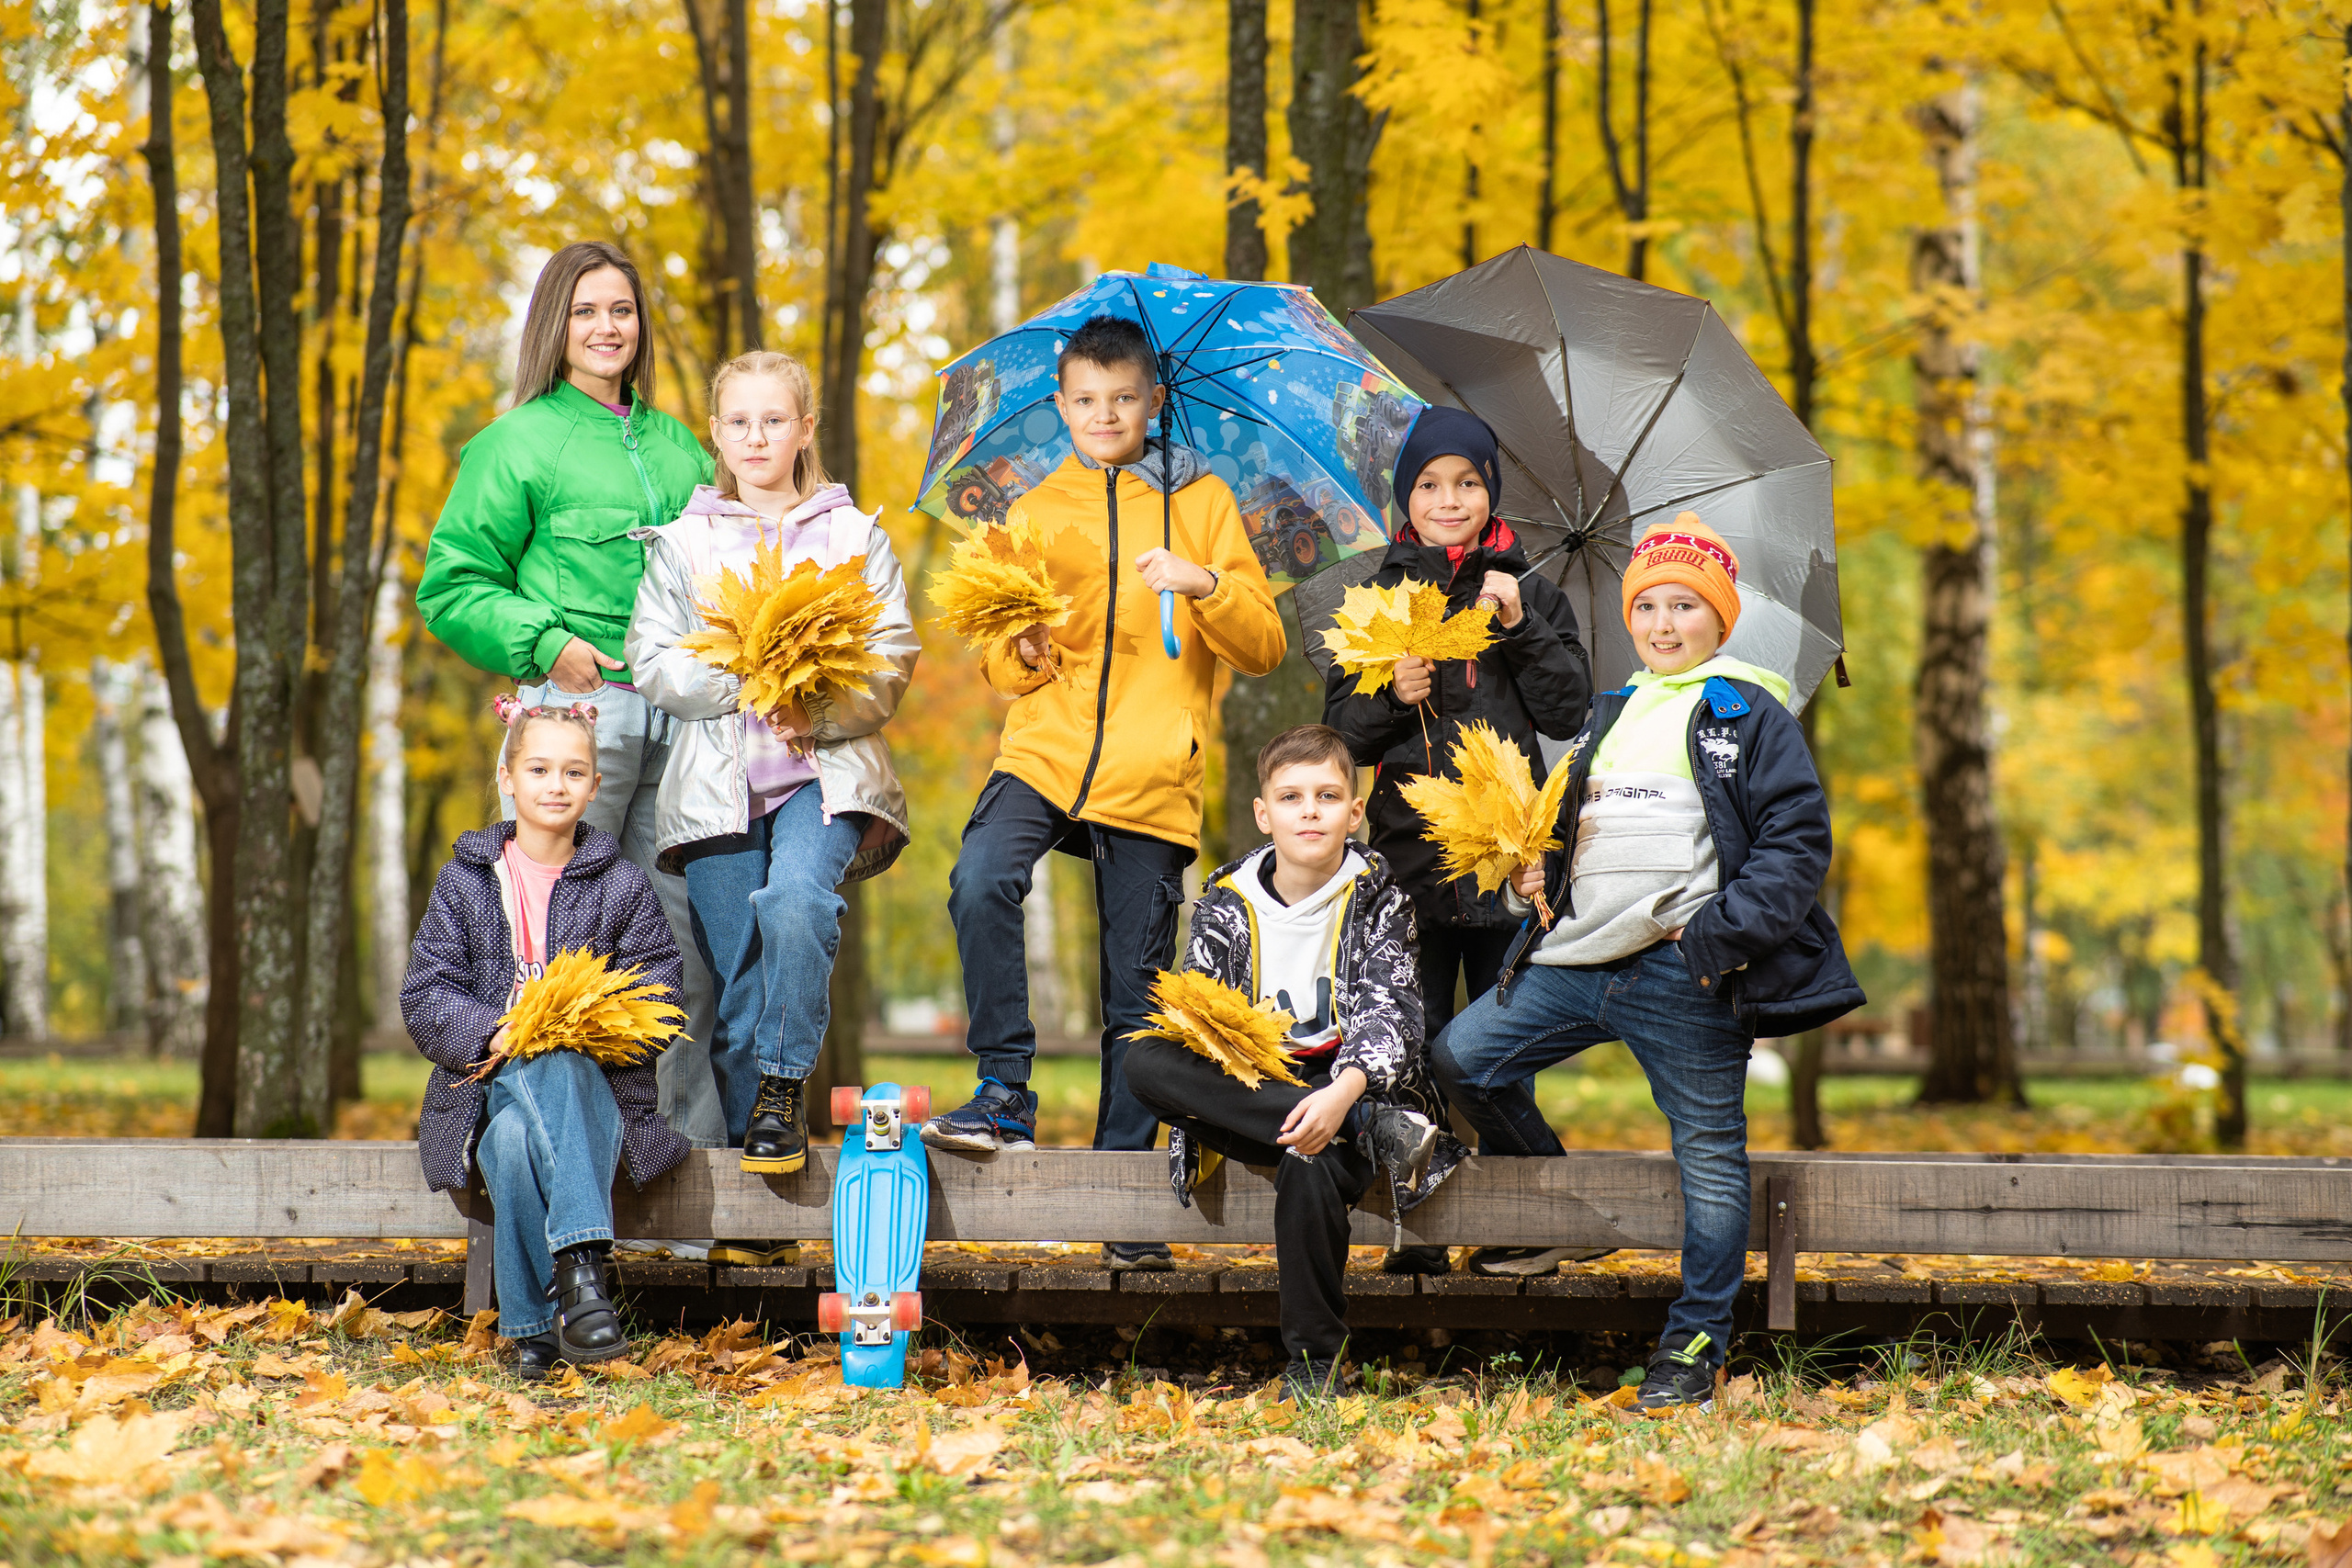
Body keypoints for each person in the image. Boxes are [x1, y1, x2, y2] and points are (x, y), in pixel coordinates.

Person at [1430, 513, 1865, 1411]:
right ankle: (1566, 1222)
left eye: (1685, 607)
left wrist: (1710, 941)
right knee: (1457, 1060)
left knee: (1709, 1160)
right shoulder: (1608, 715)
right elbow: (1567, 836)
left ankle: (1693, 1346)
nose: (1664, 625)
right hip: (1576, 958)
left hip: (1680, 972)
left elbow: (1794, 847)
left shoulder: (1745, 711)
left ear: (1720, 619)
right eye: (1648, 607)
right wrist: (1534, 874)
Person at [921, 314, 1286, 1274]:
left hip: (1151, 769)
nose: (1104, 415)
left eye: (1123, 399)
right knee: (979, 878)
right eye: (1086, 400)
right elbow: (998, 648)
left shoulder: (1204, 502)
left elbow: (1263, 644)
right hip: (1043, 752)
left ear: (1152, 401)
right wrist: (1020, 650)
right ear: (1062, 404)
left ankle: (1125, 1192)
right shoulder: (1037, 509)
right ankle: (1003, 1089)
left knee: (1134, 991)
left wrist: (1202, 580)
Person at [416, 239, 726, 1165]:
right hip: (572, 718)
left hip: (685, 725)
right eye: (587, 311)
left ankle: (680, 1174)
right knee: (536, 947)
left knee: (680, 953)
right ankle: (525, 1161)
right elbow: (452, 585)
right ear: (556, 324)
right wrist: (547, 645)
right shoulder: (514, 443)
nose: (606, 328)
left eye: (622, 310)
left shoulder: (681, 449)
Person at [628, 350, 917, 1267]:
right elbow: (654, 660)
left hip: (819, 779)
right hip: (714, 793)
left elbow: (890, 657)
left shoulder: (853, 536)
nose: (757, 438)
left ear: (804, 427)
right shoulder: (682, 541)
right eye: (739, 423)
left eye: (774, 421)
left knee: (797, 907)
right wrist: (748, 670)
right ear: (718, 435)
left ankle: (782, 1090)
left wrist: (815, 696)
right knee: (740, 976)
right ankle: (759, 1226)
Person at [1323, 404, 1591, 1276]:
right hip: (1408, 859)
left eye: (1468, 482)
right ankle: (1425, 1227)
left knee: (1499, 1040)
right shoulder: (1374, 596)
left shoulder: (1530, 589)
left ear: (1491, 491)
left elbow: (1567, 710)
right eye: (1431, 484)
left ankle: (1532, 1217)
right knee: (1412, 1040)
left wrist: (1519, 626)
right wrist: (1391, 695)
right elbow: (1343, 736)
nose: (1450, 498)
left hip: (1509, 861)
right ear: (1407, 497)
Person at [1124, 724, 1462, 1397]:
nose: (1310, 810)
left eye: (1328, 795)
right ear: (1263, 811)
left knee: (1306, 1165)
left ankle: (1314, 1364)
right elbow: (1197, 1020)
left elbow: (1393, 1018)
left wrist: (1342, 1095)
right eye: (1292, 796)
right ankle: (1367, 1130)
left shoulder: (1381, 898)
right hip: (1258, 1090)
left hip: (1353, 1084)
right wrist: (1333, 1112)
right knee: (1144, 1059)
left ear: (1354, 810)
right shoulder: (1226, 902)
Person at [401, 700, 690, 1380]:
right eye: (538, 768)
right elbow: (425, 994)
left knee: (528, 1116)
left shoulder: (620, 883)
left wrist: (588, 1027)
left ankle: (535, 1334)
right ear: (508, 777)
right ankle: (584, 1276)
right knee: (519, 1091)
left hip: (599, 1103)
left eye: (573, 771)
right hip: (487, 1088)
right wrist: (495, 1028)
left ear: (595, 785)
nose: (555, 784)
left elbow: (661, 992)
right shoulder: (467, 881)